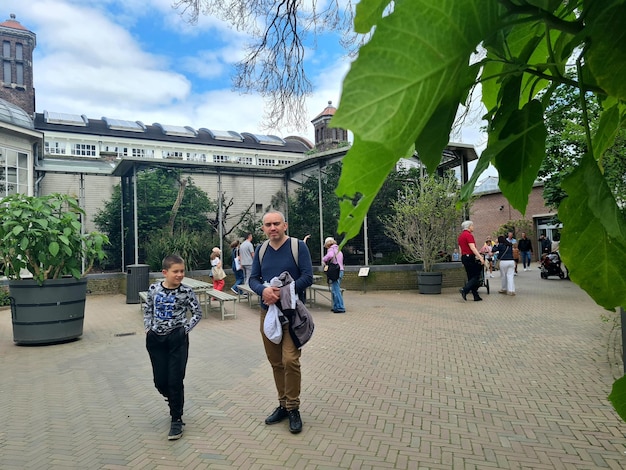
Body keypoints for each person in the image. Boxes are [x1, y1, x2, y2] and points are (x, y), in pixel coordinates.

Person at [249, 211, 314, 434]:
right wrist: (264, 291)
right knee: (276, 362)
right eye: (268, 225)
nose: (272, 227)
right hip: (268, 314)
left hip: (292, 314)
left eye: (276, 223)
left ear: (285, 225)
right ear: (263, 229)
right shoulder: (261, 250)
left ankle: (293, 407)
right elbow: (252, 279)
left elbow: (308, 276)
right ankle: (283, 405)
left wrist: (285, 290)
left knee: (290, 360)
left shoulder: (298, 247)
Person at [144, 254, 203, 440]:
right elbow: (148, 309)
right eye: (175, 271)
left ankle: (176, 419)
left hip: (176, 339)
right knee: (160, 381)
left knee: (175, 380)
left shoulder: (186, 292)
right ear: (165, 272)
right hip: (156, 339)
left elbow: (197, 313)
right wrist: (148, 328)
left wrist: (184, 330)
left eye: (182, 271)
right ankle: (173, 399)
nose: (179, 275)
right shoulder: (154, 289)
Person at [457, 220, 486, 301]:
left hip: (464, 257)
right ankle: (465, 289)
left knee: (470, 277)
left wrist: (461, 257)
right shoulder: (469, 235)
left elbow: (460, 248)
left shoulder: (460, 236)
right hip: (470, 257)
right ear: (469, 226)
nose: (473, 227)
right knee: (476, 275)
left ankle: (475, 295)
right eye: (472, 225)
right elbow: (472, 247)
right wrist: (480, 257)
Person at [322, 237, 346, 313]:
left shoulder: (331, 250)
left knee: (336, 290)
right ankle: (335, 306)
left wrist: (323, 259)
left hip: (335, 271)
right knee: (335, 289)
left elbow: (330, 256)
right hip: (340, 270)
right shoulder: (338, 249)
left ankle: (340, 307)